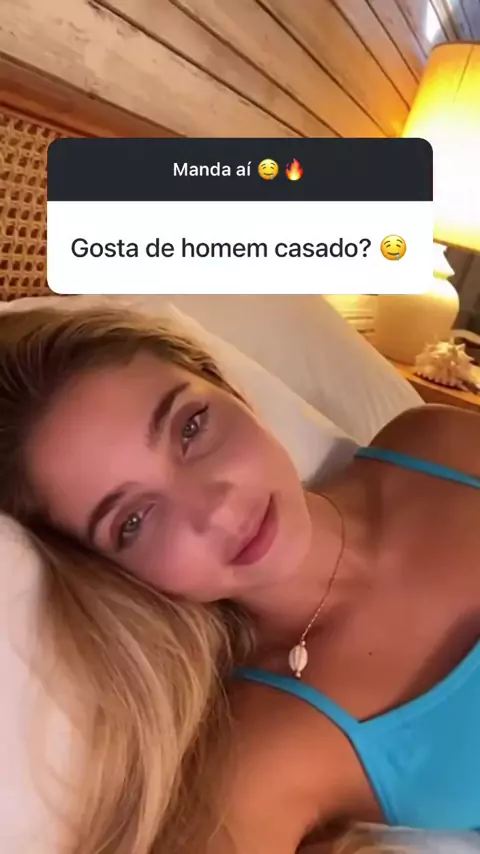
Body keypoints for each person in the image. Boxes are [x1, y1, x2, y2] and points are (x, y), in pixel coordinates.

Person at [0, 305, 479, 854]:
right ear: (108, 570)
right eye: (133, 520)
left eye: (191, 427)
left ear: (225, 388)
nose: (216, 508)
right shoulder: (266, 752)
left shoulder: (434, 441)